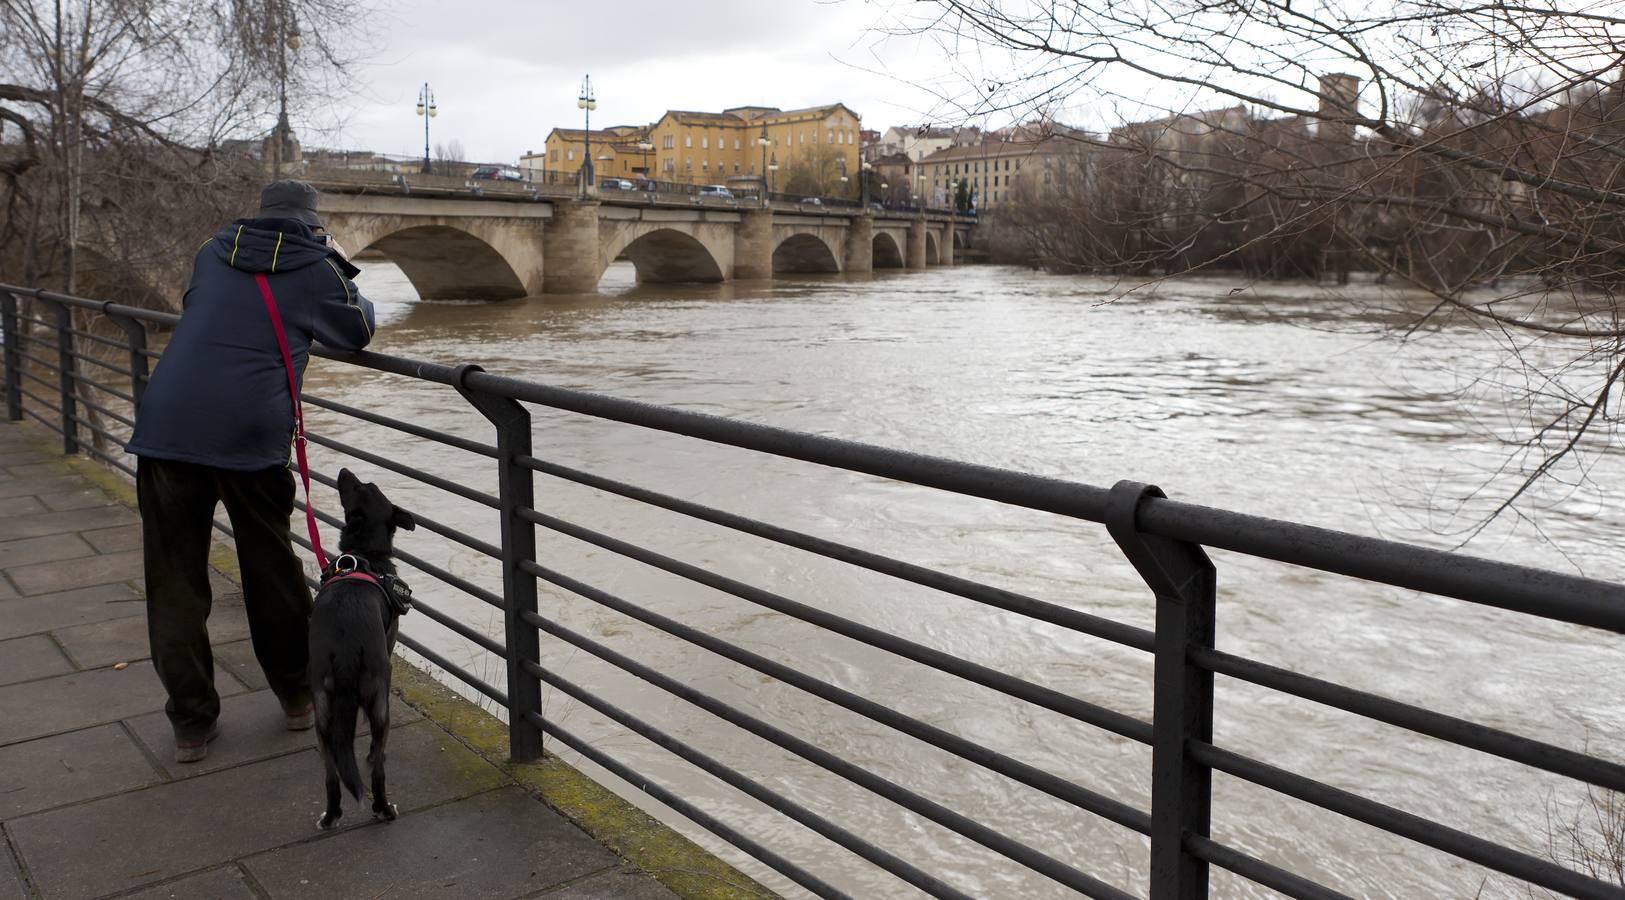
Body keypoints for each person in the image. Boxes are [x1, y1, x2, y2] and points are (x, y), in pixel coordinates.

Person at [125, 180, 377, 763]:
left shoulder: (211, 251)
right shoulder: (316, 265)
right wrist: (337, 257)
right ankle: (296, 698)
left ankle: (190, 725)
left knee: (172, 578)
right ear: (312, 222)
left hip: (166, 427)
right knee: (270, 571)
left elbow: (202, 309)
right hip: (247, 436)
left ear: (260, 215)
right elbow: (358, 330)